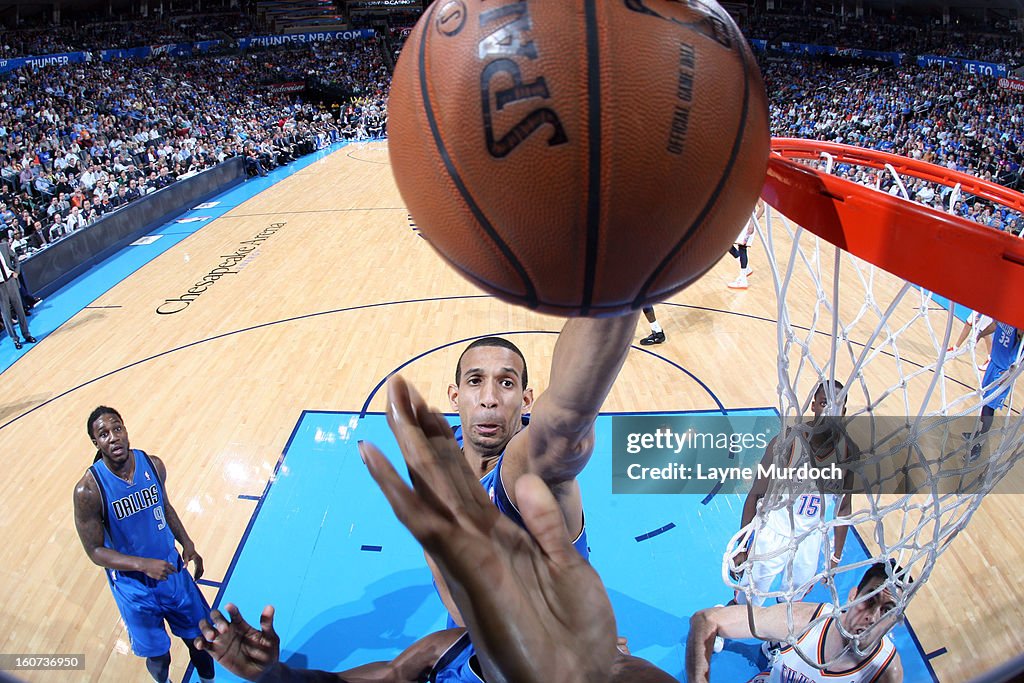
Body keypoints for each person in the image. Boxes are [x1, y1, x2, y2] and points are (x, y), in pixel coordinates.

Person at [196, 376, 673, 683]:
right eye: (476, 383)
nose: (489, 397)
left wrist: (606, 304)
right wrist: (271, 676)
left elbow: (563, 426)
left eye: (506, 384)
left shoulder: (524, 470)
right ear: (455, 395)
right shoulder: (444, 652)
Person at [73, 406, 216, 683]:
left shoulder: (153, 464)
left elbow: (165, 505)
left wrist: (186, 542)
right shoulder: (88, 490)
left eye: (117, 429)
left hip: (171, 572)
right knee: (159, 655)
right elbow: (95, 551)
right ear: (96, 443)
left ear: (126, 430)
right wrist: (143, 565)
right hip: (133, 587)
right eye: (104, 434)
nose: (113, 437)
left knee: (200, 638)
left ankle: (207, 681)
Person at [688, 561, 906, 682]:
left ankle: (777, 646)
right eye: (869, 600)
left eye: (887, 610)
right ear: (853, 595)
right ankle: (776, 644)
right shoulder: (804, 620)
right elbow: (706, 619)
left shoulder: (886, 672)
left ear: (895, 620)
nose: (873, 616)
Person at [964, 321, 1023, 462]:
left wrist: (1011, 374)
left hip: (1004, 372)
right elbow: (995, 325)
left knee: (989, 408)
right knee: (984, 403)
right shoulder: (1005, 312)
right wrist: (980, 334)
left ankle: (979, 443)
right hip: (993, 363)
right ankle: (977, 433)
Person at [0, 229, 36, 350]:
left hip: (10, 280)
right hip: (0, 286)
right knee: (6, 314)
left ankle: (27, 334)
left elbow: (15, 257)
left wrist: (16, 271)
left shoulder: (4, 247)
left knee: (19, 309)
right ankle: (14, 339)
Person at [728, 198, 763, 290]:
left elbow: (762, 207)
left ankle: (743, 280)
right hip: (738, 221)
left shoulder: (754, 189)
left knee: (742, 248)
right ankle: (746, 268)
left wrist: (753, 223)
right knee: (727, 244)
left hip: (748, 223)